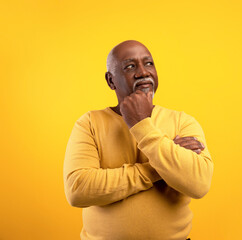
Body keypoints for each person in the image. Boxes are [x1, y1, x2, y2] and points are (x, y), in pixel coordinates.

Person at [63, 40, 214, 240]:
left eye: (149, 63)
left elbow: (199, 183)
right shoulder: (89, 123)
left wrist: (140, 124)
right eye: (130, 66)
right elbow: (78, 190)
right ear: (111, 80)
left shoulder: (182, 122)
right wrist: (158, 167)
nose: (143, 72)